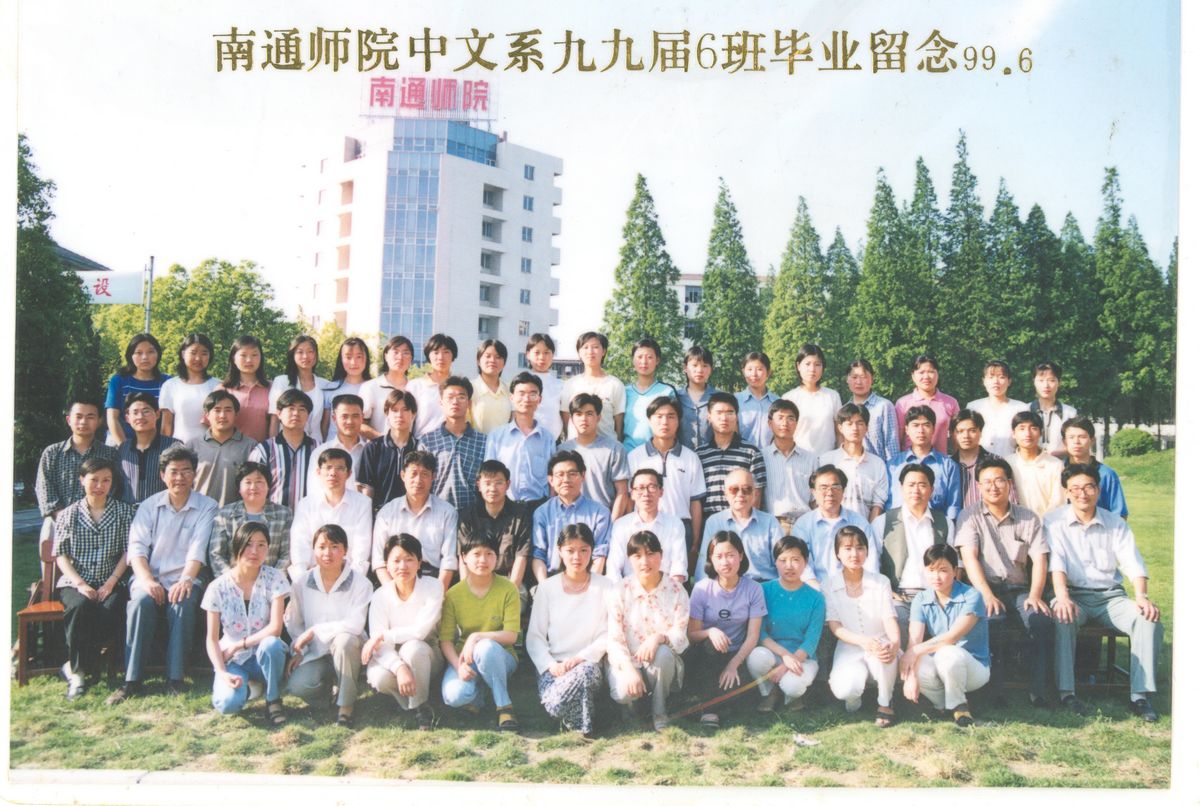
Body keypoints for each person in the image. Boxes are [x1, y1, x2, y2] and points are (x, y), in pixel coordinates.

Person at [1046, 463, 1163, 721]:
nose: (1082, 493)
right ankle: (1067, 693)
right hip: (1073, 594)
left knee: (1147, 619)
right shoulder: (1053, 521)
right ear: (1066, 492)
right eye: (1075, 488)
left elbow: (1132, 562)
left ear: (1098, 490)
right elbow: (1057, 563)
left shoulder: (1114, 523)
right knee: (1063, 616)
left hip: (1111, 596)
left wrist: (1141, 596)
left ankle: (1140, 696)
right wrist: (1062, 597)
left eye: (1089, 487)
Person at [107, 444, 218, 704]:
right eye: (173, 472)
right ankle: (132, 680)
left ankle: (175, 678)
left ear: (194, 474)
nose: (180, 477)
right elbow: (136, 548)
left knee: (182, 602)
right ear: (162, 475)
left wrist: (186, 579)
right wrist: (147, 580)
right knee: (140, 603)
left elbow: (198, 548)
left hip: (187, 575)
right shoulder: (148, 506)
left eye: (186, 471)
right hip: (150, 575)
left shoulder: (207, 506)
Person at [955, 457, 1054, 706]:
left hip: (1020, 589)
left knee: (1041, 621)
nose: (993, 487)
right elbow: (969, 559)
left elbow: (1040, 559)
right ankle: (994, 691)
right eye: (987, 482)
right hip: (985, 588)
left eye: (999, 480)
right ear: (978, 486)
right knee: (992, 621)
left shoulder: (1028, 517)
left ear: (1010, 483)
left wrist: (1035, 595)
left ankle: (1038, 690)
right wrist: (987, 595)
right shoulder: (969, 516)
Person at [52, 457, 135, 699]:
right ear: (82, 480)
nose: (100, 485)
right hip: (76, 581)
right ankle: (78, 675)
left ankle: (74, 665)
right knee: (80, 607)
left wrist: (111, 582)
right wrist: (80, 584)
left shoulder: (123, 512)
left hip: (112, 580)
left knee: (111, 608)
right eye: (94, 480)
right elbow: (61, 555)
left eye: (106, 480)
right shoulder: (68, 514)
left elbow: (128, 551)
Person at [527, 523, 613, 738]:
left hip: (588, 663)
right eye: (570, 550)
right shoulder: (547, 588)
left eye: (584, 550)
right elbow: (535, 637)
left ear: (592, 551)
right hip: (554, 667)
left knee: (582, 676)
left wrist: (581, 658)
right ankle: (584, 723)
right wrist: (550, 665)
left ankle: (574, 722)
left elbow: (609, 633)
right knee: (557, 699)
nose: (577, 557)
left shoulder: (606, 586)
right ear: (560, 551)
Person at [285, 524, 373, 726]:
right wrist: (299, 650)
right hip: (316, 652)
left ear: (345, 550)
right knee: (298, 686)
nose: (327, 553)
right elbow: (295, 621)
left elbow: (355, 624)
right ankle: (330, 696)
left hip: (349, 650)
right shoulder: (302, 583)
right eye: (322, 547)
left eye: (334, 547)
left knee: (344, 640)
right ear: (313, 550)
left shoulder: (361, 583)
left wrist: (316, 630)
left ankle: (346, 706)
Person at [203, 522, 289, 722]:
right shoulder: (217, 587)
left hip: (263, 656)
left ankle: (273, 699)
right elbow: (212, 639)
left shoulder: (275, 578)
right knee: (227, 704)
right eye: (248, 544)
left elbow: (275, 628)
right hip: (234, 660)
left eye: (261, 545)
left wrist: (239, 645)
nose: (254, 551)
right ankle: (250, 689)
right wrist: (221, 672)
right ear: (237, 546)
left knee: (272, 644)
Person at [606, 530, 690, 732]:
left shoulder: (677, 590)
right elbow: (614, 639)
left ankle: (659, 710)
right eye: (637, 556)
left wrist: (658, 638)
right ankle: (633, 707)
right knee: (624, 692)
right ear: (629, 559)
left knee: (663, 654)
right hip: (628, 660)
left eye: (651, 554)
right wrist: (629, 669)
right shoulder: (620, 590)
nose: (645, 561)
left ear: (661, 555)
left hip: (658, 662)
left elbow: (680, 634)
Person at [899, 544, 990, 727]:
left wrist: (914, 652)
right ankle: (946, 707)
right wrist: (911, 675)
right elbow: (914, 641)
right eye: (931, 570)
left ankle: (959, 706)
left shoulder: (972, 596)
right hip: (942, 665)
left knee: (947, 651)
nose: (936, 577)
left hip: (974, 667)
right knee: (910, 661)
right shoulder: (921, 599)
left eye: (943, 570)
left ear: (955, 571)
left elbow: (952, 638)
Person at [439, 531, 523, 731]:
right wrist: (458, 666)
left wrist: (476, 637)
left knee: (485, 648)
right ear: (464, 557)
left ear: (496, 557)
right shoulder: (453, 594)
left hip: (500, 656)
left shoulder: (508, 589)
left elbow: (511, 636)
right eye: (476, 554)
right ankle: (481, 693)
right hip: (466, 659)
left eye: (489, 554)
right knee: (454, 696)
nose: (483, 560)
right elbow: (446, 640)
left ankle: (504, 706)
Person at [362, 534, 445, 730]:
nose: (403, 566)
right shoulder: (380, 595)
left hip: (427, 653)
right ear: (387, 565)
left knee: (412, 648)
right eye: (396, 560)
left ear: (419, 562)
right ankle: (413, 702)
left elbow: (420, 631)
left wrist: (384, 635)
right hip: (391, 655)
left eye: (409, 559)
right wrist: (399, 667)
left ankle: (421, 708)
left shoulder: (433, 587)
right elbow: (379, 645)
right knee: (379, 678)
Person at [686, 531, 766, 729]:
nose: (725, 562)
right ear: (711, 559)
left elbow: (753, 635)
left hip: (738, 654)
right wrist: (710, 632)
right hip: (707, 654)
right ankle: (709, 709)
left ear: (741, 556)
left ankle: (717, 701)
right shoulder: (702, 589)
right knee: (711, 646)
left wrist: (733, 664)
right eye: (719, 556)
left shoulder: (754, 589)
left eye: (730, 555)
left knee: (743, 701)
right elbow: (692, 634)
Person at [825, 526, 901, 727]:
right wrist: (863, 641)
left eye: (860, 548)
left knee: (884, 654)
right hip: (849, 646)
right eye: (847, 548)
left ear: (867, 551)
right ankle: (855, 698)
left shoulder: (881, 581)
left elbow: (889, 618)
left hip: (879, 640)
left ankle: (886, 703)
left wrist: (894, 642)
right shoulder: (829, 584)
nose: (854, 554)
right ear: (837, 553)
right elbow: (835, 626)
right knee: (846, 689)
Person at [625, 396, 706, 567]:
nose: (664, 422)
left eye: (670, 416)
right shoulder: (635, 457)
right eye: (659, 416)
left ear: (678, 421)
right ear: (649, 420)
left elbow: (696, 502)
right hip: (643, 528)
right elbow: (629, 499)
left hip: (681, 528)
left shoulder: (691, 458)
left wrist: (695, 542)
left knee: (679, 578)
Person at [874, 464, 955, 631]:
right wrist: (887, 593)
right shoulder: (883, 521)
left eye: (922, 485)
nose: (916, 490)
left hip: (936, 596)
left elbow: (956, 565)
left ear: (931, 490)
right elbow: (872, 565)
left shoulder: (944, 522)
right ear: (901, 488)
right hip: (898, 597)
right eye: (911, 485)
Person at [747, 536, 824, 711]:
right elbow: (761, 633)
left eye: (795, 560)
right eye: (783, 560)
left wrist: (788, 664)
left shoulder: (816, 598)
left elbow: (811, 640)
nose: (789, 566)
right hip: (773, 653)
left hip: (803, 658)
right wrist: (785, 657)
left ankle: (792, 696)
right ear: (775, 562)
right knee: (756, 658)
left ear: (805, 562)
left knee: (793, 687)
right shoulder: (763, 591)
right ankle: (770, 693)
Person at [36, 398, 124, 551]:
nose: (83, 422)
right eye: (78, 416)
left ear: (99, 421)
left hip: (101, 522)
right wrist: (67, 519)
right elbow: (45, 492)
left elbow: (115, 489)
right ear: (69, 420)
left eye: (90, 417)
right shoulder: (52, 453)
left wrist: (94, 519)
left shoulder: (110, 454)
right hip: (58, 521)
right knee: (49, 546)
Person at [373, 451, 459, 588]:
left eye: (424, 474)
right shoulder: (387, 513)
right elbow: (379, 561)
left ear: (433, 477)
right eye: (413, 474)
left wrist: (438, 593)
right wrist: (392, 593)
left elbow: (449, 560)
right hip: (396, 579)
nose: (418, 480)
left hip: (432, 579)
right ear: (403, 475)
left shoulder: (447, 512)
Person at [289, 448, 373, 581]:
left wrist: (350, 582)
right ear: (318, 472)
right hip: (312, 576)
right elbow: (299, 546)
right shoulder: (306, 504)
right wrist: (303, 580)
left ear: (349, 473)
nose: (333, 473)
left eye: (340, 468)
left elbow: (361, 551)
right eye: (328, 467)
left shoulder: (362, 503)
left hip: (349, 577)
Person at [457, 460, 531, 605]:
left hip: (509, 581)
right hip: (475, 580)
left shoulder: (520, 515)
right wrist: (467, 593)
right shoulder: (468, 516)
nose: (493, 488)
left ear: (508, 484)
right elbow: (463, 559)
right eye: (487, 483)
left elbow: (521, 557)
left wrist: (510, 593)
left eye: (499, 483)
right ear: (479, 485)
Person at [531, 450, 611, 581]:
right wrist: (545, 586)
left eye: (572, 474)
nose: (566, 480)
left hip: (588, 579)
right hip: (551, 579)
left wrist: (588, 586)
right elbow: (538, 555)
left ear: (583, 476)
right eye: (560, 475)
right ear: (551, 480)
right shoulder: (542, 513)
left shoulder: (600, 513)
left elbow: (599, 556)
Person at [790, 465, 874, 588]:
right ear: (813, 492)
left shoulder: (859, 523)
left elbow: (871, 562)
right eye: (823, 488)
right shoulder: (803, 525)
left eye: (835, 487)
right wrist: (821, 591)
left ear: (843, 490)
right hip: (815, 590)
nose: (829, 493)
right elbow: (802, 566)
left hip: (854, 589)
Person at [695, 468, 783, 584]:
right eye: (734, 489)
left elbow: (783, 563)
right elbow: (704, 565)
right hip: (726, 587)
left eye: (746, 489)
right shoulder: (714, 522)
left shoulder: (770, 522)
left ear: (755, 493)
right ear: (726, 493)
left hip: (764, 587)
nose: (740, 494)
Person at [208, 461, 293, 578]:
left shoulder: (283, 514)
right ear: (239, 488)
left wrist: (272, 580)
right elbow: (216, 554)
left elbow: (286, 554)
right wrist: (232, 580)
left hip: (271, 582)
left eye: (259, 482)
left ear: (268, 486)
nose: (253, 487)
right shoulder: (225, 514)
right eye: (248, 482)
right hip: (233, 580)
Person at [417, 376, 487, 512]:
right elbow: (422, 482)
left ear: (469, 403)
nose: (455, 402)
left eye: (461, 397)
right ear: (441, 402)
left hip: (474, 516)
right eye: (450, 397)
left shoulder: (483, 441)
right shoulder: (427, 442)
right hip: (436, 513)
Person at [606, 468, 689, 583]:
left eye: (652, 487)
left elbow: (678, 569)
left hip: (666, 589)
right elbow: (613, 570)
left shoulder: (675, 524)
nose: (646, 493)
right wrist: (624, 592)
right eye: (640, 488)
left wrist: (667, 591)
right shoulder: (621, 526)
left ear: (661, 491)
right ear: (632, 493)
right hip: (629, 589)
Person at [485, 372, 557, 502]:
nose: (526, 399)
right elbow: (489, 475)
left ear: (539, 399)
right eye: (521, 394)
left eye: (533, 394)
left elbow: (553, 477)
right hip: (505, 505)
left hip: (539, 505)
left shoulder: (548, 438)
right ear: (512, 398)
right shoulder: (496, 436)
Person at [561, 393, 631, 522]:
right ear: (571, 418)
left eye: (589, 414)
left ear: (598, 417)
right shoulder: (562, 450)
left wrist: (611, 525)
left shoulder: (615, 449)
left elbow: (622, 492)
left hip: (603, 519)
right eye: (578, 414)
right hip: (569, 520)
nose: (583, 419)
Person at [885, 405, 962, 521]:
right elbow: (888, 503)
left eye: (926, 425)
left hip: (936, 526)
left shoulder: (948, 466)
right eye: (915, 425)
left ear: (933, 429)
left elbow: (953, 506)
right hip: (899, 525)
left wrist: (946, 528)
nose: (921, 430)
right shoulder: (893, 465)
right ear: (907, 429)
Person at [697, 392, 767, 519]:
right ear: (709, 417)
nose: (724, 418)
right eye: (719, 413)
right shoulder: (700, 454)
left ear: (737, 417)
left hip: (742, 520)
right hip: (708, 522)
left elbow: (756, 494)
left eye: (730, 412)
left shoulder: (751, 452)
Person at [249, 389, 318, 511]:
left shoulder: (318, 449)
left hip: (309, 518)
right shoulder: (264, 450)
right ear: (279, 413)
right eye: (291, 408)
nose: (296, 413)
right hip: (272, 518)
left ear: (308, 415)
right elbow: (252, 489)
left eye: (302, 409)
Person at [820, 403, 888, 522]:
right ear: (840, 428)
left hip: (863, 529)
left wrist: (869, 530)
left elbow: (878, 503)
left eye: (860, 423)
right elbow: (818, 498)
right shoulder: (826, 460)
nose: (855, 428)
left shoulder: (877, 464)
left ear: (866, 428)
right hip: (831, 528)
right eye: (849, 423)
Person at [187, 390, 255, 507]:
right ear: (207, 415)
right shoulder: (192, 446)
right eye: (217, 410)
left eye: (228, 410)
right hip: (199, 512)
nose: (222, 415)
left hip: (237, 514)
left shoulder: (250, 446)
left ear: (236, 414)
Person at [760, 400, 818, 532]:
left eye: (790, 418)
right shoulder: (760, 457)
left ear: (796, 424)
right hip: (772, 525)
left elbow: (816, 499)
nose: (785, 423)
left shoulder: (811, 459)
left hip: (804, 524)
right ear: (770, 423)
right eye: (780, 418)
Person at [358, 389, 418, 512]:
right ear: (387, 413)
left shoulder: (421, 448)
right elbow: (366, 488)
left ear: (413, 414)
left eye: (405, 409)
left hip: (414, 515)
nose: (399, 415)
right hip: (381, 515)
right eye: (394, 410)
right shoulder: (373, 448)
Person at [105, 333, 170, 446]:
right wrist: (124, 448)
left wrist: (160, 449)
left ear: (158, 354)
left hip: (156, 445)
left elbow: (168, 421)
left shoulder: (167, 382)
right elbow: (112, 418)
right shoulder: (119, 380)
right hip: (120, 442)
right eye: (139, 353)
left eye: (150, 352)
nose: (145, 357)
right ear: (131, 356)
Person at [560, 331, 625, 442]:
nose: (590, 352)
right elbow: (566, 417)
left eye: (595, 347)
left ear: (603, 351)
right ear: (579, 353)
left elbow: (619, 421)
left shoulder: (615, 384)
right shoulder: (570, 384)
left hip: (607, 447)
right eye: (585, 347)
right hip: (576, 447)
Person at [117, 392, 180, 505]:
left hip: (163, 510)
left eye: (146, 411)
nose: (140, 417)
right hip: (127, 512)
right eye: (135, 412)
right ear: (127, 418)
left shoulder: (173, 446)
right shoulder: (123, 449)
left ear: (157, 414)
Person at [1060, 416, 1128, 518]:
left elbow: (1119, 515)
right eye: (1071, 437)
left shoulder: (1106, 474)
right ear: (1064, 442)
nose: (1076, 442)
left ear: (1092, 440)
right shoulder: (1056, 470)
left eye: (1082, 437)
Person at [159, 332, 220, 443]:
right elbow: (166, 427)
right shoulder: (170, 385)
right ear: (183, 354)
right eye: (193, 353)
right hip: (179, 449)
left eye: (204, 353)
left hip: (212, 448)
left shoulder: (218, 385)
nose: (198, 358)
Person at [782, 343, 842, 455]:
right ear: (798, 366)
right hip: (798, 459)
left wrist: (837, 458)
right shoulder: (789, 398)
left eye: (817, 364)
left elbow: (839, 433)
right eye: (807, 364)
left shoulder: (832, 396)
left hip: (827, 460)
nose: (812, 369)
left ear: (823, 367)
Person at [950, 409, 1014, 511]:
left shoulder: (997, 462)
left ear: (980, 432)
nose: (966, 436)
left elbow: (1011, 500)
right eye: (960, 431)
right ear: (953, 434)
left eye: (972, 430)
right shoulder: (948, 465)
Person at [268, 335, 327, 443]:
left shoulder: (325, 385)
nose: (305, 356)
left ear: (316, 355)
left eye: (310, 351)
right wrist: (273, 446)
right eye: (300, 352)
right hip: (286, 443)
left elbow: (325, 422)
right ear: (293, 355)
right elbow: (275, 419)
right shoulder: (282, 382)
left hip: (316, 444)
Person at [895, 354, 959, 455]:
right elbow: (897, 438)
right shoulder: (902, 403)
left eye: (931, 372)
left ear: (937, 374)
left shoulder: (950, 403)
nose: (926, 377)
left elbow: (956, 437)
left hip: (940, 461)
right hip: (909, 461)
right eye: (921, 372)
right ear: (913, 376)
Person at [306, 394, 369, 496]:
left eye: (355, 416)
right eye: (344, 416)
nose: (350, 421)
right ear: (334, 418)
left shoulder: (370, 452)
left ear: (362, 417)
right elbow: (314, 493)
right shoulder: (320, 452)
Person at [1006, 411, 1065, 518]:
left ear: (1041, 433)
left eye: (1033, 428)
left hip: (1047, 524)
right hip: (1014, 523)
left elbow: (1058, 502)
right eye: (1022, 428)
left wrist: (1042, 523)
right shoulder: (1007, 463)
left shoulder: (1055, 465)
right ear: (1013, 433)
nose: (1028, 434)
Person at [965, 360, 1028, 457]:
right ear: (984, 381)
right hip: (979, 462)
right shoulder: (973, 407)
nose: (996, 381)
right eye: (991, 377)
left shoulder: (1021, 408)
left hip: (1011, 462)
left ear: (1009, 381)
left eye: (1001, 377)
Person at [623, 337, 676, 452]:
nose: (644, 361)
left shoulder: (667, 391)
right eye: (639, 357)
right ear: (633, 360)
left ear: (657, 360)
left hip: (657, 453)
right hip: (628, 453)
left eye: (649, 357)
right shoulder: (624, 392)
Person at [216, 335, 271, 443]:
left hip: (263, 450)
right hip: (230, 450)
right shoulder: (223, 389)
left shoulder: (272, 388)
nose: (249, 360)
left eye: (254, 355)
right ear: (233, 358)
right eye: (243, 355)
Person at [845, 359, 900, 462]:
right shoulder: (844, 410)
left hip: (879, 468)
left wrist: (892, 469)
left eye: (863, 377)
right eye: (854, 377)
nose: (858, 382)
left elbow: (891, 445)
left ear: (872, 378)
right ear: (847, 379)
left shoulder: (884, 406)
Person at [361, 335, 415, 438]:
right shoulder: (370, 387)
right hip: (378, 446)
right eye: (395, 352)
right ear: (386, 356)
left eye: (405, 353)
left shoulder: (415, 388)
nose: (400, 357)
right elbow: (361, 424)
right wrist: (385, 441)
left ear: (411, 359)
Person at [321, 337, 372, 441]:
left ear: (366, 358)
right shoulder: (331, 388)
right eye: (348, 357)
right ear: (341, 359)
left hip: (361, 448)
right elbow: (324, 426)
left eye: (359, 357)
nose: (353, 362)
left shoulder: (373, 388)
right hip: (332, 447)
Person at [410, 334, 457, 439]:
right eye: (436, 352)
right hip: (422, 444)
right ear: (428, 356)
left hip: (452, 444)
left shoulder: (459, 388)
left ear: (453, 356)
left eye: (446, 352)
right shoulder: (414, 386)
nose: (440, 357)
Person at [1030, 361, 1077, 457]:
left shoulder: (1070, 413)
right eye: (1041, 380)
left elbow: (1075, 443)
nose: (1046, 385)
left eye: (1051, 380)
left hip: (1061, 464)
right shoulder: (1025, 410)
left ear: (1059, 382)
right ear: (1034, 382)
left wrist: (1055, 454)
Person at [735, 351, 778, 451]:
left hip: (770, 457)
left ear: (768, 372)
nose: (754, 374)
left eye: (759, 369)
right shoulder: (735, 400)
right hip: (742, 456)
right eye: (749, 369)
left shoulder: (777, 402)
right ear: (743, 372)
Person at [525, 333, 564, 443]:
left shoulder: (561, 385)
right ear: (528, 354)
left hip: (554, 443)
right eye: (537, 353)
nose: (542, 357)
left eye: (546, 353)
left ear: (552, 355)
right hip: (526, 441)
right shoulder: (521, 383)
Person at [470, 338, 512, 435]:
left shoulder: (510, 390)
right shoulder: (470, 388)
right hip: (477, 443)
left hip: (504, 443)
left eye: (498, 357)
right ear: (478, 360)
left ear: (504, 363)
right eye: (488, 356)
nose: (492, 360)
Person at [679, 345, 717, 451]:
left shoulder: (719, 398)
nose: (699, 370)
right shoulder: (675, 397)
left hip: (712, 456)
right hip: (681, 456)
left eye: (705, 366)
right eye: (694, 365)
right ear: (685, 368)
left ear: (711, 369)